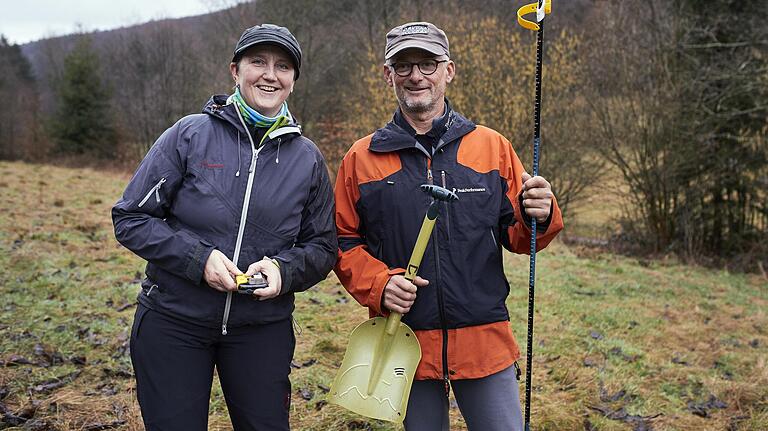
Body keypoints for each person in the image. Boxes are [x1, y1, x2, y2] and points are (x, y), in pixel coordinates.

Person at [333, 22, 564, 430]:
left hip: (484, 340)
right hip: (404, 342)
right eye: (403, 66)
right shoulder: (361, 158)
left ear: (449, 70)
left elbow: (520, 236)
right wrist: (380, 284)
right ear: (388, 75)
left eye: (428, 63)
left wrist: (540, 214)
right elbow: (341, 242)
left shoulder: (492, 146)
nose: (416, 76)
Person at [112, 24, 336, 430]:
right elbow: (130, 218)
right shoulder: (189, 134)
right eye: (258, 62)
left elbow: (322, 247)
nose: (270, 74)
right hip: (173, 321)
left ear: (292, 82)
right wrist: (199, 260)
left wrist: (283, 272)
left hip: (261, 330)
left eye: (283, 66)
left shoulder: (308, 160)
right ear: (235, 70)